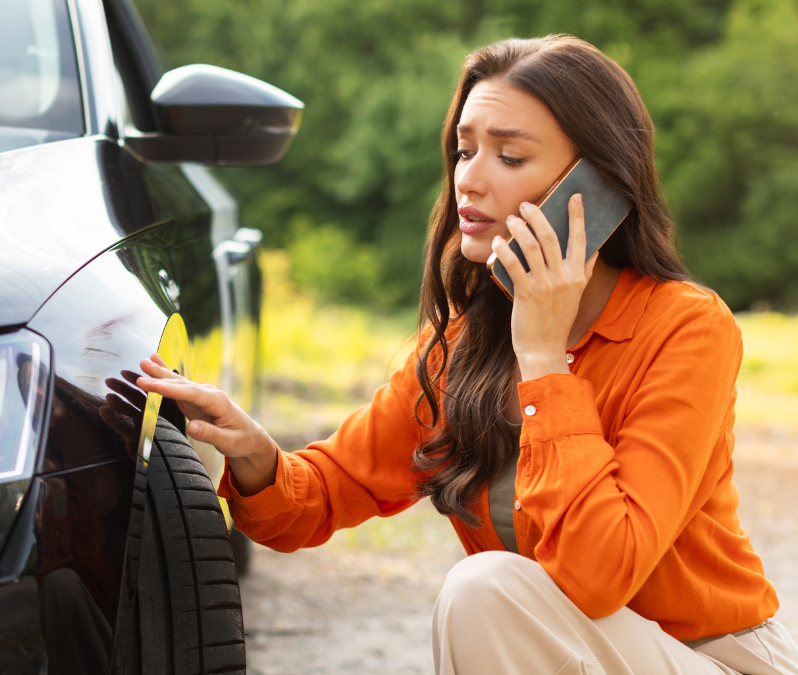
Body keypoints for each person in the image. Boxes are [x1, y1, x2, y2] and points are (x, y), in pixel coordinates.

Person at [135, 35, 798, 674]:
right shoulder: (463, 345)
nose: (469, 181)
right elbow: (321, 495)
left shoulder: (686, 330)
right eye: (463, 150)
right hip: (573, 650)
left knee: (485, 589)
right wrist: (252, 454)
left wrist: (543, 359)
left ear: (595, 187)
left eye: (509, 157)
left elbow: (601, 573)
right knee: (490, 592)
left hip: (712, 657)